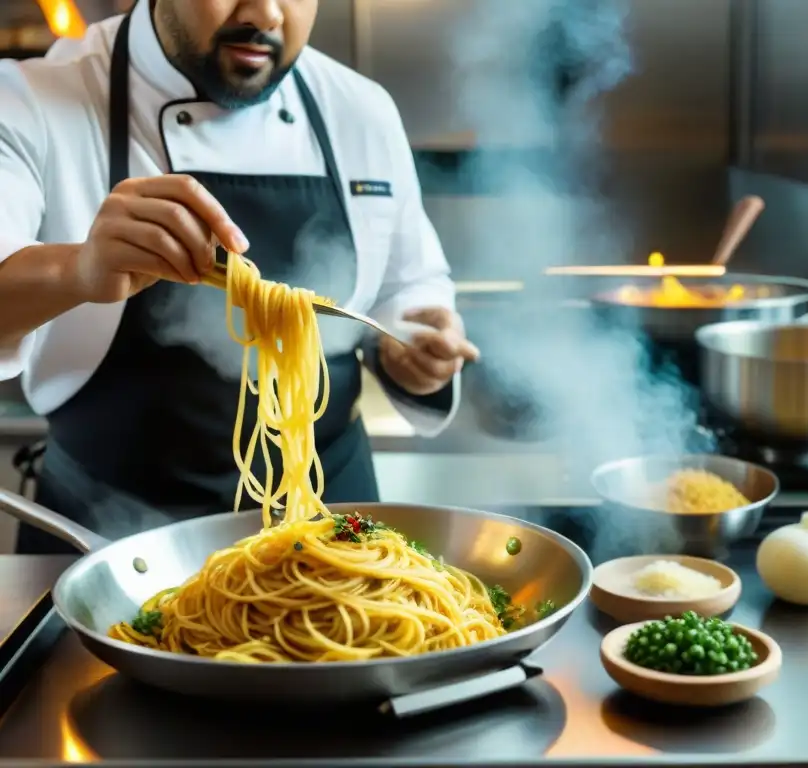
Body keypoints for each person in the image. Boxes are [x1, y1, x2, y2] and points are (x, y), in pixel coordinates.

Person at [0, 0, 479, 554]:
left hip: (332, 528)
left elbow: (408, 285)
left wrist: (415, 349)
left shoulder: (360, 108)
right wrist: (76, 269)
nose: (268, 14)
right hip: (112, 538)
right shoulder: (32, 98)